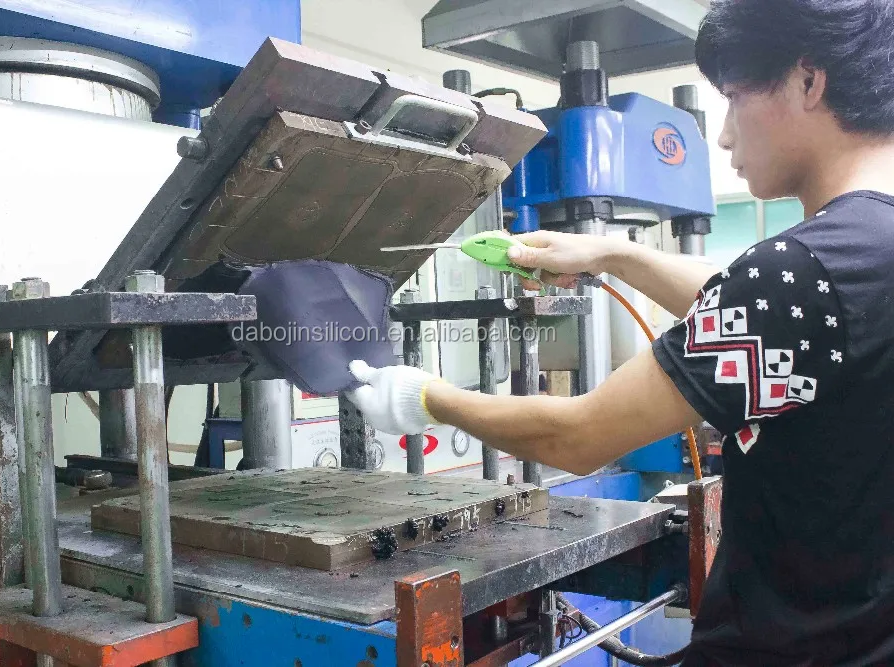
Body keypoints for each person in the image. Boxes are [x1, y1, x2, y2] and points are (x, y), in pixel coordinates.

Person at [346, 1, 894, 664]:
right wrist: (612, 254)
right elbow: (765, 306)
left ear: (808, 80)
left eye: (733, 97)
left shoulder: (798, 275)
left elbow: (576, 437)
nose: (724, 137)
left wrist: (423, 398)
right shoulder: (858, 256)